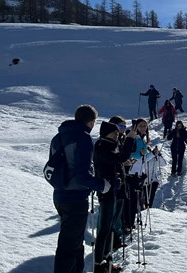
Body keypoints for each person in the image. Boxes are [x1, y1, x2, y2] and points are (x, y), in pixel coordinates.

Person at [51, 104, 111, 273]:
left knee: (73, 242)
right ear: (91, 122)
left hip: (60, 194)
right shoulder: (83, 138)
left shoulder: (58, 137)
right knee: (69, 246)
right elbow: (81, 175)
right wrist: (101, 185)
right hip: (76, 198)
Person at [92, 121, 133, 273]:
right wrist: (131, 137)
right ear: (106, 133)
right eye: (115, 133)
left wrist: (118, 178)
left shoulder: (107, 145)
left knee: (108, 229)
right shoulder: (103, 147)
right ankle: (98, 265)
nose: (117, 135)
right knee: (104, 230)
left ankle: (106, 262)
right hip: (106, 192)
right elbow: (121, 157)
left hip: (111, 191)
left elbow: (116, 163)